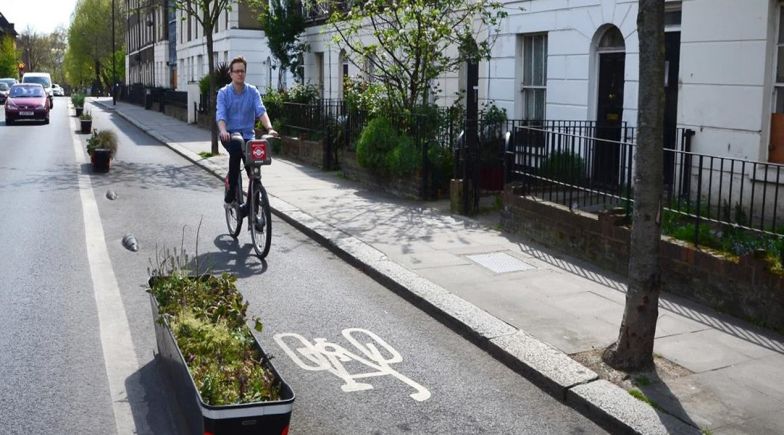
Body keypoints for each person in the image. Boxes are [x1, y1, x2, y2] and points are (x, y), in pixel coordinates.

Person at [216, 56, 277, 215]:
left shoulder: (252, 91)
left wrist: (269, 128)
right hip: (229, 135)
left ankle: (252, 212)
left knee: (254, 174)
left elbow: (261, 110)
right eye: (236, 71)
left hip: (248, 136)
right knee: (236, 148)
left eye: (242, 71)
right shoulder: (224, 93)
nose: (239, 74)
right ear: (230, 73)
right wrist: (223, 130)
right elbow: (221, 115)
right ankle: (230, 196)